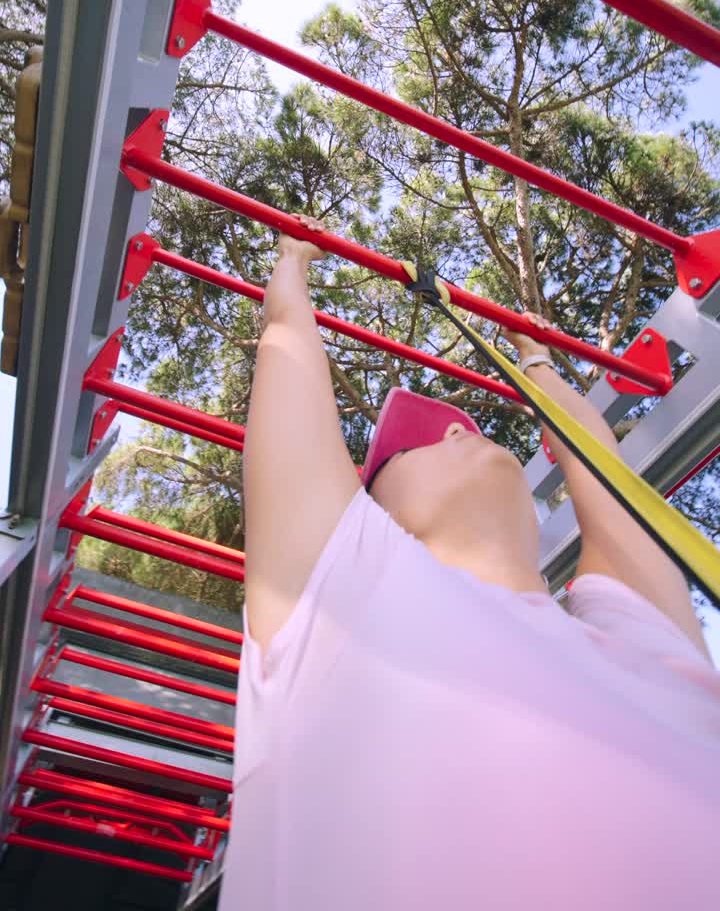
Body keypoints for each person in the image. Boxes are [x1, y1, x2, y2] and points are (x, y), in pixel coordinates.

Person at [219, 216, 720, 911]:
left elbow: (603, 475)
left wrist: (535, 360)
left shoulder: (641, 644)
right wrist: (292, 261)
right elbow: (289, 346)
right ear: (371, 513)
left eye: (465, 426)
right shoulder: (341, 602)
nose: (458, 425)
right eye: (415, 446)